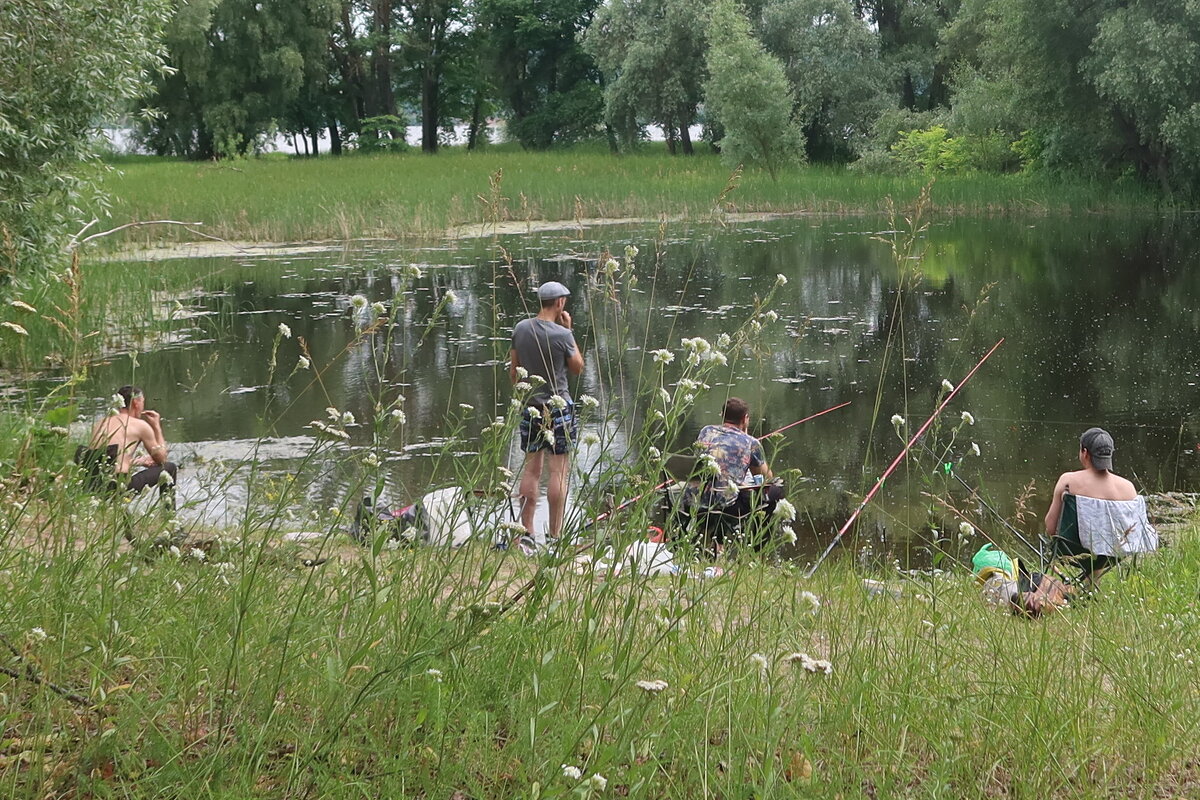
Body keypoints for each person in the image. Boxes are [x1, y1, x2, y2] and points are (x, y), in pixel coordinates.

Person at [509, 281, 585, 546]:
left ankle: (525, 532)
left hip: (531, 407)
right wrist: (569, 330)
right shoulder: (561, 335)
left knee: (531, 470)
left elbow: (514, 373)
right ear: (560, 303)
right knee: (558, 472)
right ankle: (555, 535)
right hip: (559, 407)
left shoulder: (520, 329)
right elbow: (577, 368)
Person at [1043, 427, 1151, 586]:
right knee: (1100, 549)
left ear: (1085, 453)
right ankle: (1090, 587)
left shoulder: (1068, 481)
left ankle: (1068, 589)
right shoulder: (1128, 488)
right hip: (1113, 555)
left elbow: (1050, 528)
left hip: (1073, 551)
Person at [78, 386, 178, 506]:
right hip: (117, 485)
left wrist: (136, 461)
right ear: (136, 403)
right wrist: (157, 426)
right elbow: (161, 459)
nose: (143, 407)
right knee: (170, 468)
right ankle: (168, 516)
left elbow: (107, 459)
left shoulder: (101, 422)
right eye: (142, 402)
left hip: (92, 484)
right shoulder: (140, 425)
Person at [692, 397, 785, 522]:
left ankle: (717, 537)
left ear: (722, 415)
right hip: (727, 505)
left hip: (697, 498)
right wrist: (746, 436)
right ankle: (760, 539)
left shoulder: (706, 431)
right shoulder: (751, 442)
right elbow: (765, 477)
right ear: (744, 418)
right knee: (776, 490)